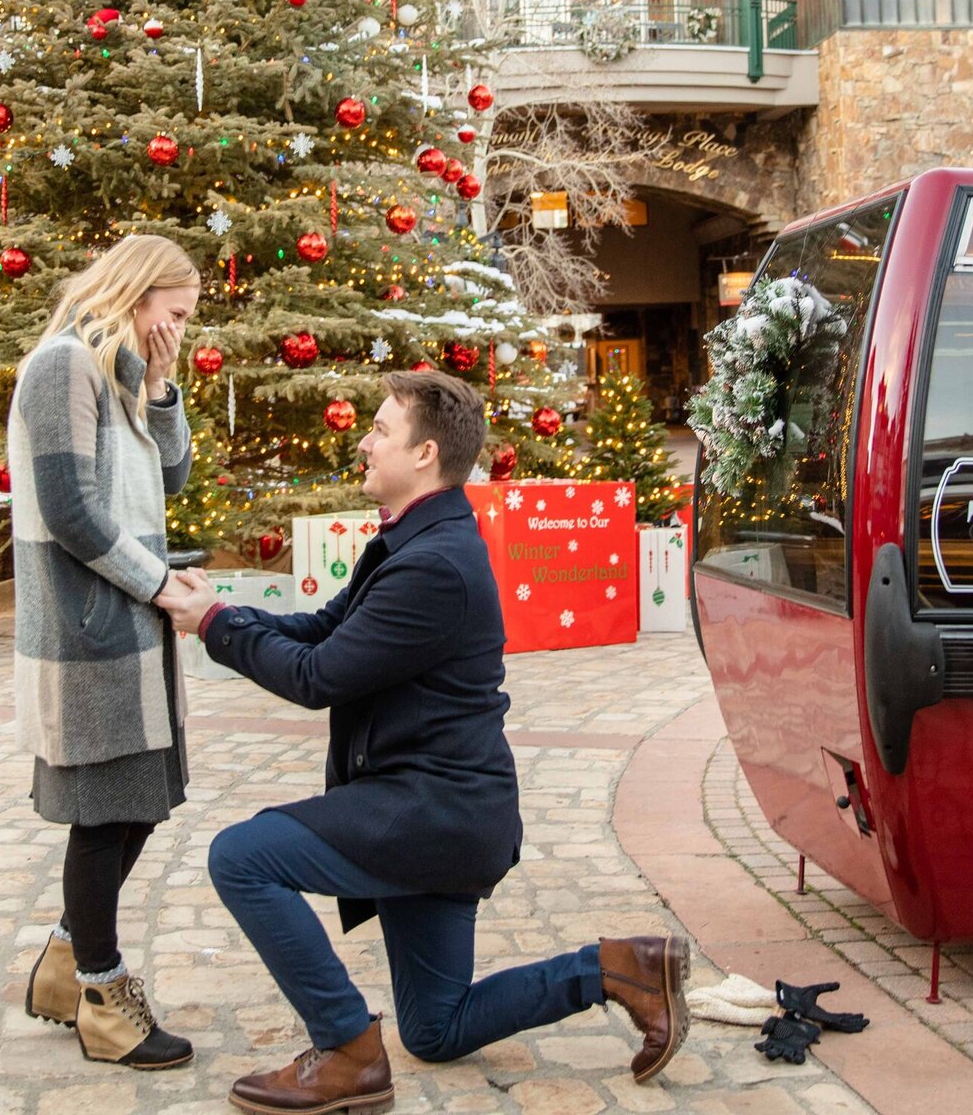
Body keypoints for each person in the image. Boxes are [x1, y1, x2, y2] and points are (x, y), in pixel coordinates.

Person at [159, 372, 687, 1115]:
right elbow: (323, 629)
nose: (364, 441)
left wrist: (216, 628)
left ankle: (347, 1051)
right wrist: (223, 610)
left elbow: (317, 676)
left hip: (432, 814)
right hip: (441, 814)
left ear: (425, 453)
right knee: (436, 1030)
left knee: (242, 857)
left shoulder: (434, 564)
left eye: (380, 429)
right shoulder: (415, 539)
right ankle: (622, 970)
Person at [8, 234, 204, 1071]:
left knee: (140, 799)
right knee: (103, 813)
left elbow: (172, 478)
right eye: (175, 313)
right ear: (136, 292)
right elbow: (70, 512)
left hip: (128, 624)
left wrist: (161, 387)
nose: (179, 329)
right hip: (88, 628)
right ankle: (100, 995)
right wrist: (159, 585)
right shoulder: (63, 367)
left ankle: (64, 967)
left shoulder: (122, 375)